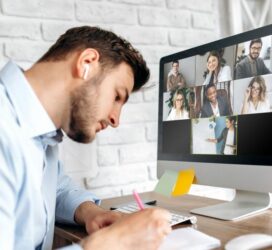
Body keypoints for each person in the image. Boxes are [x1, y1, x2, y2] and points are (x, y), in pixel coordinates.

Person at [0, 26, 171, 250]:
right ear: (87, 62)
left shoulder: (40, 134)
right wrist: (113, 243)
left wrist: (89, 211)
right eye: (117, 96)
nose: (115, 119)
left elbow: (54, 189)